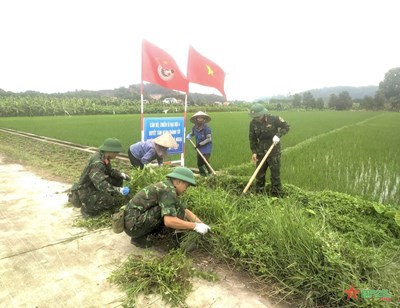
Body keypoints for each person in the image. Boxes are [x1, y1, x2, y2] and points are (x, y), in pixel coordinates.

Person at [124, 166, 211, 248]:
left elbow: (185, 210)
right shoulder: (168, 190)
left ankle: (140, 238)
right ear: (178, 182)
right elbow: (169, 221)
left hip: (132, 223)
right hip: (134, 226)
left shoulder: (167, 186)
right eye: (186, 185)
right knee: (168, 212)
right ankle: (172, 242)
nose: (186, 189)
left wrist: (201, 223)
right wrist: (194, 226)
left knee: (177, 207)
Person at [68, 137, 131, 217]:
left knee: (118, 179)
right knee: (111, 201)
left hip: (93, 185)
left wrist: (121, 174)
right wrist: (118, 190)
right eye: (116, 152)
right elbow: (100, 184)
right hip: (86, 191)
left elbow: (109, 171)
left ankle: (108, 195)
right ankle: (87, 208)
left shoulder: (104, 157)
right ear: (110, 151)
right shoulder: (97, 163)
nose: (117, 154)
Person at [248, 104, 290, 197]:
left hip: (274, 150)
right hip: (260, 151)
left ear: (263, 113)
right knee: (259, 175)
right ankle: (259, 195)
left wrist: (278, 135)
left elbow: (286, 126)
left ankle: (277, 196)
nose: (256, 119)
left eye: (258, 116)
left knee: (275, 175)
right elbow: (252, 138)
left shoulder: (274, 119)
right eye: (254, 117)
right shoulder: (253, 123)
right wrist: (254, 152)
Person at [186, 111, 213, 176]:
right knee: (200, 163)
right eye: (198, 118)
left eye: (201, 118)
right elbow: (192, 133)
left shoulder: (207, 128)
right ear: (196, 119)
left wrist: (200, 144)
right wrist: (189, 135)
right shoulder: (194, 127)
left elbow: (209, 139)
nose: (200, 120)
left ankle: (210, 173)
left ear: (204, 119)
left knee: (205, 160)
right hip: (199, 147)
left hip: (206, 146)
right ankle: (203, 175)